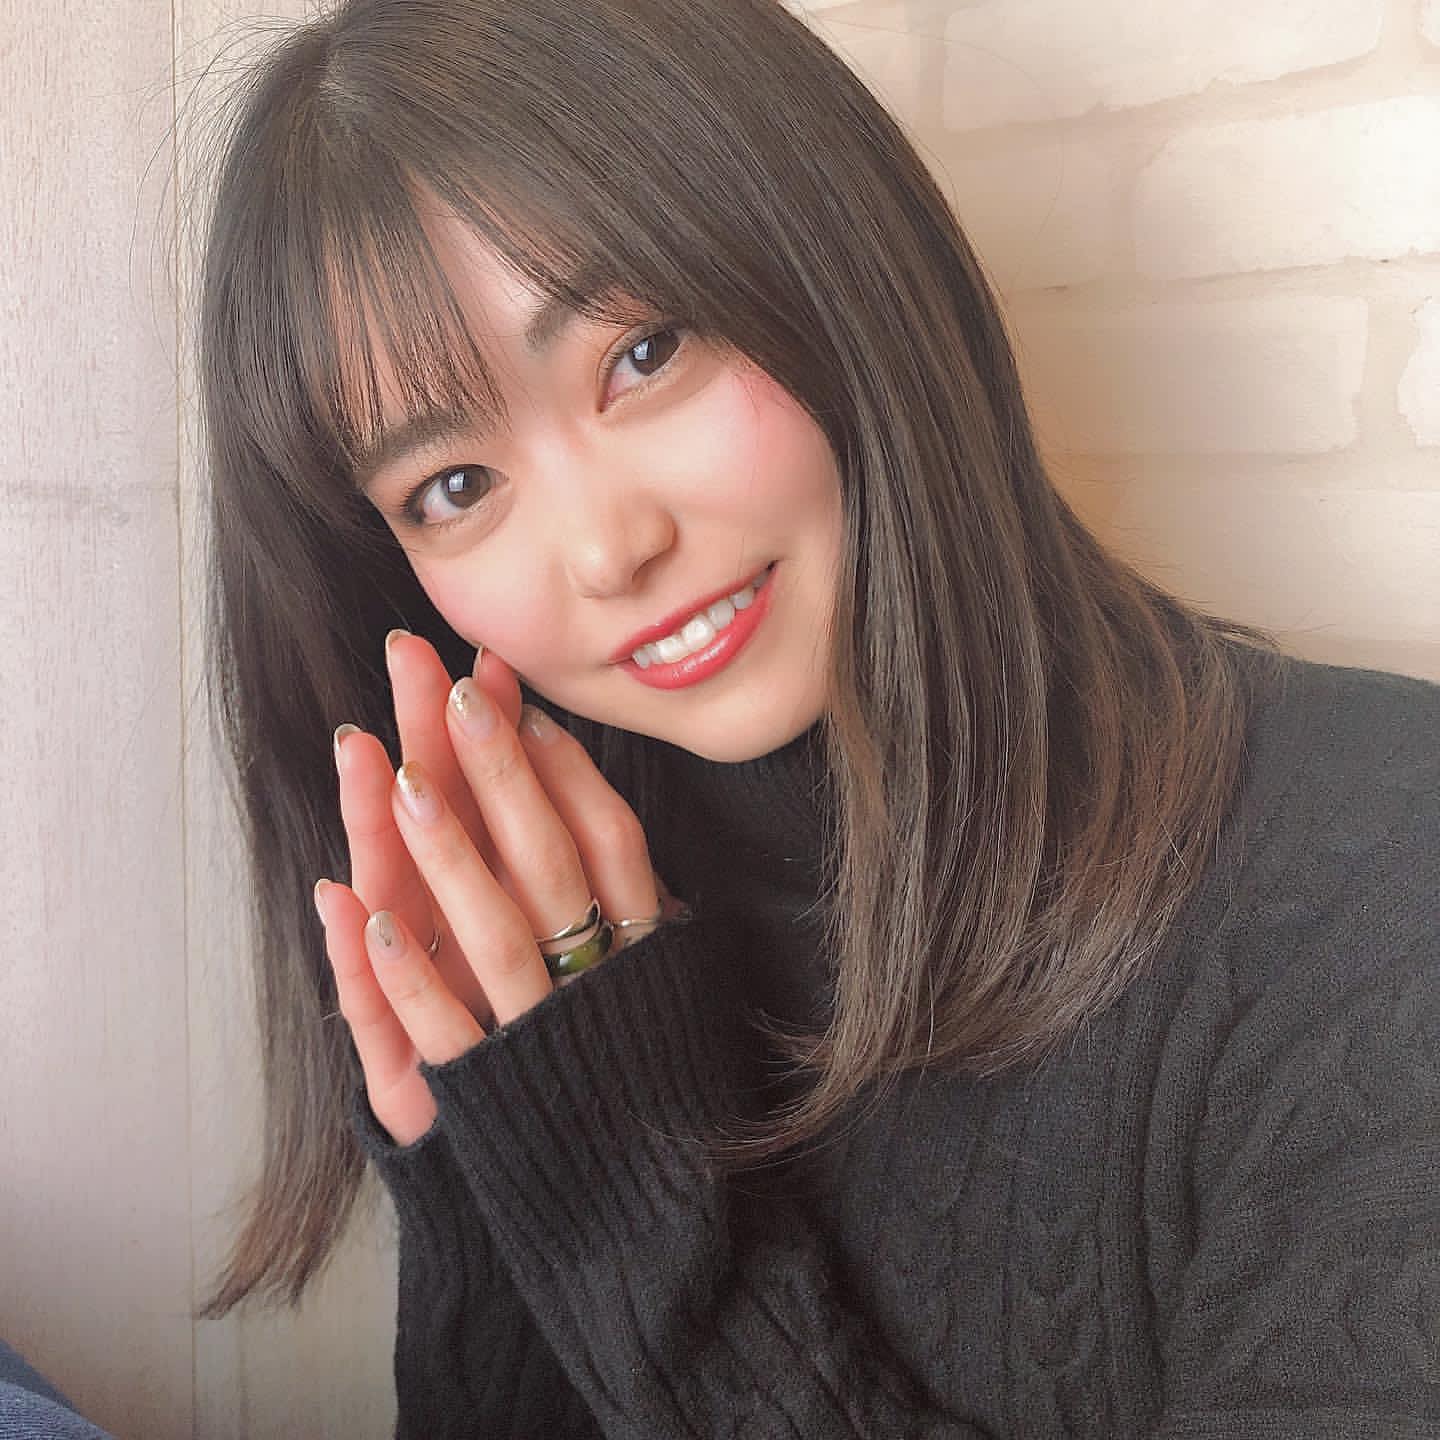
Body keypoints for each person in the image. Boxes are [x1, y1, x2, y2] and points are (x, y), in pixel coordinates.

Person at [190, 0, 1440, 1434]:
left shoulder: (1382, 876)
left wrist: (629, 1219)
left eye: (645, 351)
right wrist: (496, 1194)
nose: (607, 549)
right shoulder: (547, 960)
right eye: (454, 488)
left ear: (834, 253)